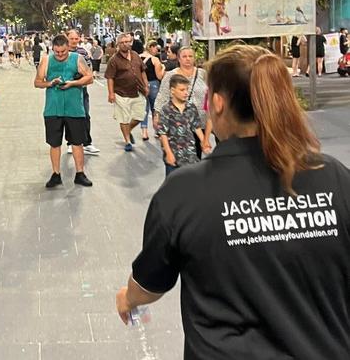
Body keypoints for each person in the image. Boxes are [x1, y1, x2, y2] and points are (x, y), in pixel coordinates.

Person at [116, 43, 350, 360]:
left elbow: (150, 284)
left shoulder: (183, 192)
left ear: (218, 103)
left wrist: (128, 299)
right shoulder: (334, 177)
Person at [34, 34, 94, 188]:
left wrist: (73, 83)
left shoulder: (77, 58)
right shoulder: (46, 60)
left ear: (68, 47)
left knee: (77, 142)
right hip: (53, 109)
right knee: (54, 143)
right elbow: (37, 82)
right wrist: (50, 83)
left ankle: (80, 173)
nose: (60, 55)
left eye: (63, 52)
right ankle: (56, 174)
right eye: (57, 52)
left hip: (74, 108)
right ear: (52, 49)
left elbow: (90, 78)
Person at [154, 46, 212, 159]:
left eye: (190, 56)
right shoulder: (171, 75)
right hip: (177, 121)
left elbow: (209, 93)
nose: (187, 59)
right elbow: (162, 95)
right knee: (177, 153)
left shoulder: (202, 74)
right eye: (184, 56)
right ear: (179, 59)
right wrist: (157, 115)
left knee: (196, 155)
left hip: (200, 121)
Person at [104, 33, 149, 152]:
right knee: (123, 118)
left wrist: (146, 85)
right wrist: (111, 93)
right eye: (122, 42)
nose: (125, 44)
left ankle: (128, 129)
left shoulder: (135, 55)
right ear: (118, 44)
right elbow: (110, 77)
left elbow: (142, 70)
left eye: (127, 42)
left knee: (140, 116)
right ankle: (128, 141)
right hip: (121, 93)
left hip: (138, 91)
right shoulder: (114, 60)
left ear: (131, 42)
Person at [158, 74, 208, 176]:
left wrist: (204, 141)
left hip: (190, 155)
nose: (186, 93)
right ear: (172, 90)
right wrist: (168, 153)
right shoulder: (166, 109)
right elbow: (163, 133)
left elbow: (196, 126)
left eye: (187, 89)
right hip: (173, 156)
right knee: (173, 186)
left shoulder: (191, 107)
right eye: (182, 90)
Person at [67, 29, 100, 155]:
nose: (74, 41)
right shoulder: (62, 52)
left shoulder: (83, 51)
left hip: (82, 88)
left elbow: (88, 69)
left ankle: (87, 143)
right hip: (68, 90)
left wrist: (85, 78)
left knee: (85, 115)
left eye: (76, 39)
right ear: (67, 39)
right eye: (72, 39)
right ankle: (71, 143)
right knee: (70, 117)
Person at [140, 41, 165, 141]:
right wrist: (163, 68)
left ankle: (144, 132)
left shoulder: (138, 57)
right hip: (154, 84)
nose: (157, 51)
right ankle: (157, 130)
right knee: (156, 108)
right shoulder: (155, 59)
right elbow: (159, 76)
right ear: (151, 47)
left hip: (142, 85)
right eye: (156, 48)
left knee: (144, 109)